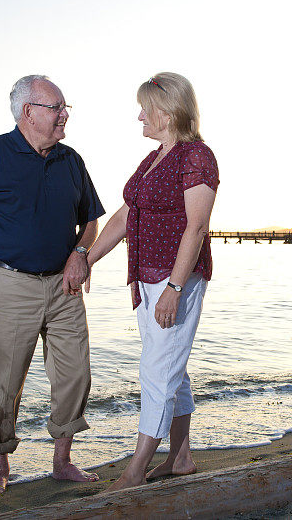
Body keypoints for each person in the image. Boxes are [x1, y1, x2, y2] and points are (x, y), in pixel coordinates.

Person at [0, 75, 105, 494]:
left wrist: (80, 254)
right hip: (7, 284)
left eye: (64, 107)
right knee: (6, 380)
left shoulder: (70, 159)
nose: (64, 115)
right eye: (56, 108)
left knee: (76, 373)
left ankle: (62, 461)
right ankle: (1, 463)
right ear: (28, 112)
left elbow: (91, 219)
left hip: (64, 286)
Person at [85, 72, 219, 491]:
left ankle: (135, 469)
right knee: (170, 366)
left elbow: (196, 228)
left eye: (145, 107)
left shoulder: (197, 156)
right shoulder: (154, 158)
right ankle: (179, 458)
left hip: (175, 279)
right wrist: (87, 259)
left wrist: (175, 289)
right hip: (146, 280)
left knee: (157, 368)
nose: (139, 115)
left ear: (166, 111)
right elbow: (126, 216)